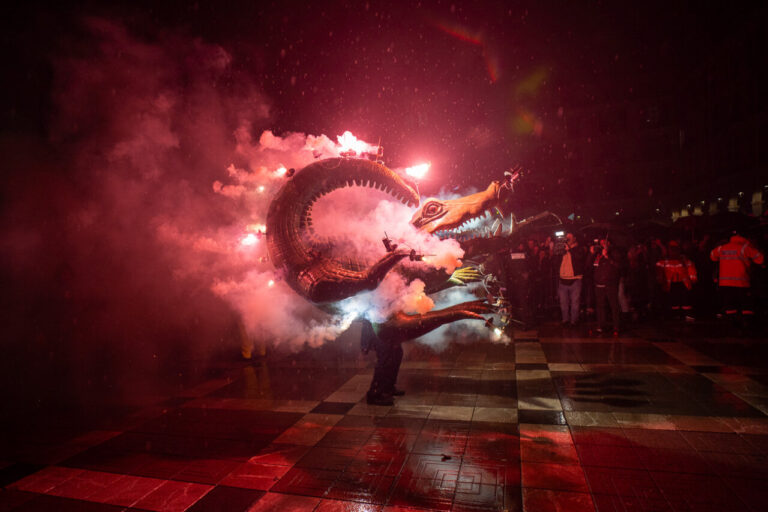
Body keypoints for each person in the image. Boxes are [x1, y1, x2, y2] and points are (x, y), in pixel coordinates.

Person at [710, 232, 765, 326]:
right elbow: (760, 259)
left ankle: (732, 322)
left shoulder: (723, 247)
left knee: (730, 303)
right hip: (742, 282)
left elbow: (712, 256)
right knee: (746, 303)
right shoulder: (745, 247)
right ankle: (747, 322)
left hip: (725, 282)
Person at [360, 318, 404, 406]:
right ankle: (374, 394)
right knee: (384, 361)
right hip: (378, 329)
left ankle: (388, 387)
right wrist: (365, 344)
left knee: (396, 354)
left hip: (388, 328)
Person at [655, 241, 697, 321]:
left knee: (683, 300)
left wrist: (693, 278)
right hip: (673, 284)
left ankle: (684, 314)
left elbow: (690, 267)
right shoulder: (665, 261)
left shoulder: (683, 260)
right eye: (672, 249)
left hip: (681, 284)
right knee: (675, 301)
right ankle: (677, 315)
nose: (673, 251)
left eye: (675, 249)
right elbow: (659, 269)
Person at [554, 232, 587, 327]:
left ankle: (574, 321)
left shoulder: (579, 249)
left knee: (575, 302)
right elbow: (556, 262)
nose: (567, 239)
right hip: (563, 279)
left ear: (574, 238)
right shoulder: (563, 249)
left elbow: (580, 257)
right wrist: (558, 252)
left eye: (569, 237)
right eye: (566, 237)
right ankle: (565, 320)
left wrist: (570, 250)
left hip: (575, 280)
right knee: (563, 303)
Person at [590, 238, 621, 335]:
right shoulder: (598, 254)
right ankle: (601, 325)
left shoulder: (615, 253)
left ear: (609, 243)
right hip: (599, 284)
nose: (602, 244)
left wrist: (608, 257)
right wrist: (591, 254)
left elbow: (618, 266)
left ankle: (616, 326)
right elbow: (590, 266)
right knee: (600, 306)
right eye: (601, 243)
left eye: (604, 243)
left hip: (610, 285)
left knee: (614, 306)